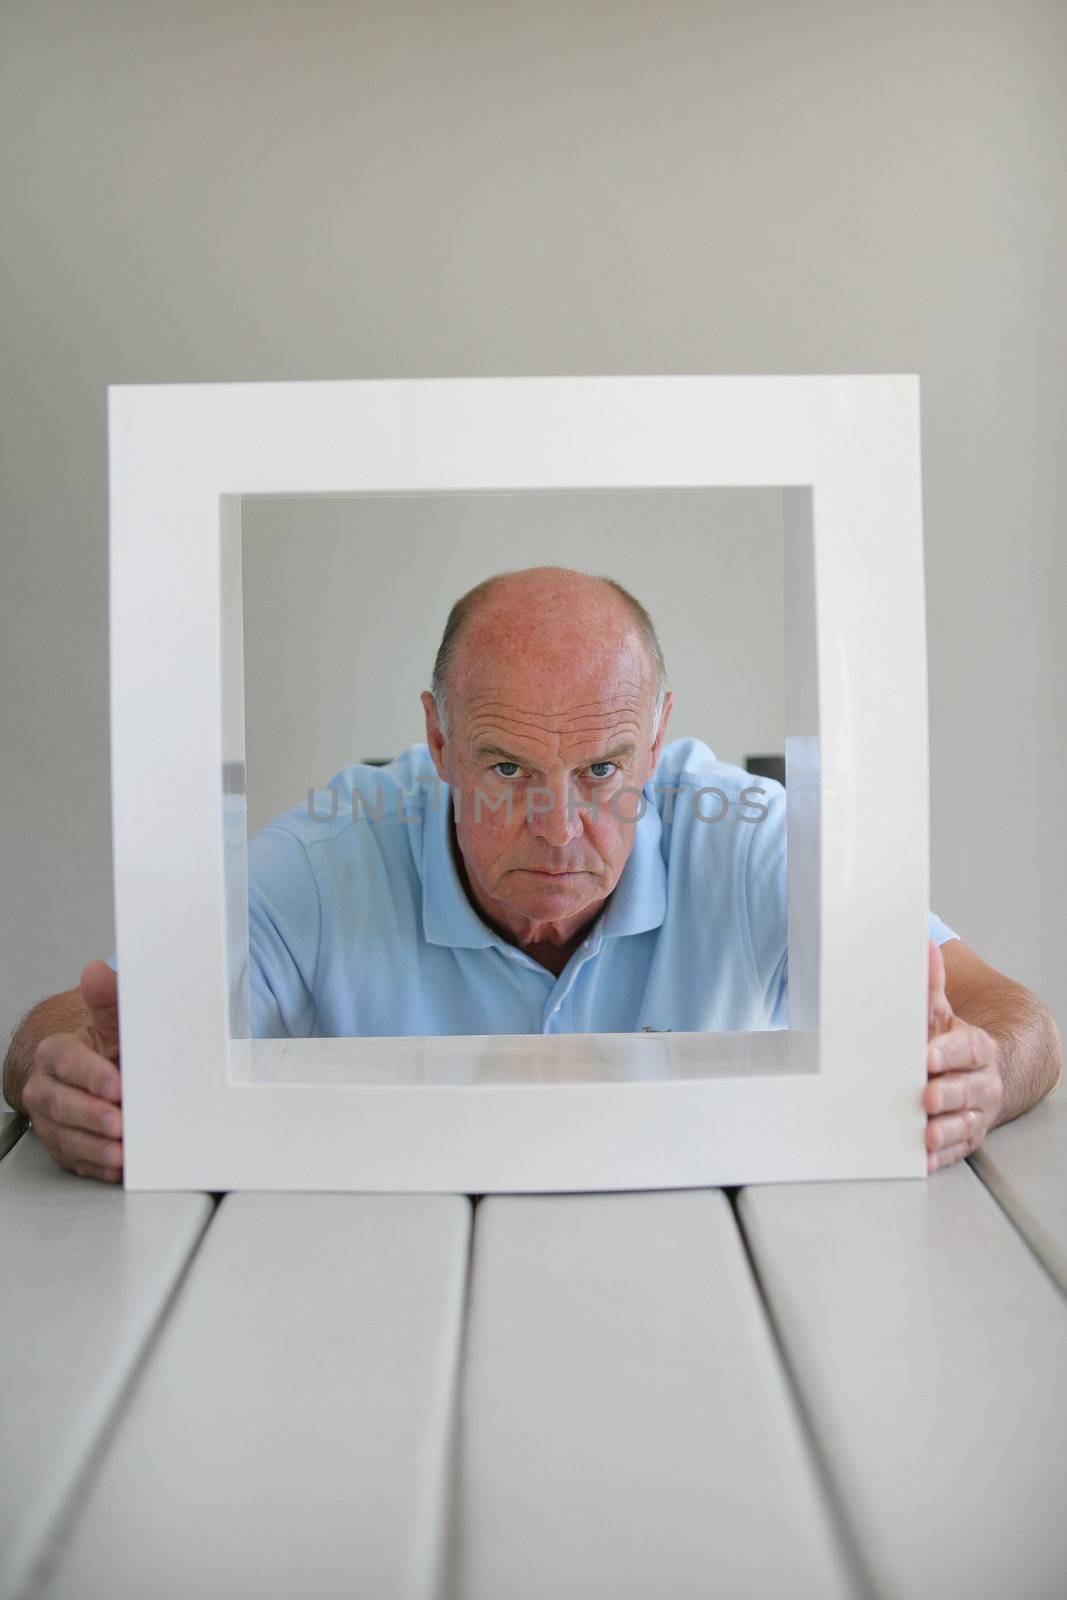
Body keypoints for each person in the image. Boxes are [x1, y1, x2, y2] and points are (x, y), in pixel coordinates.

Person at [3, 568, 1061, 1183]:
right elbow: (66, 1025)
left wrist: (977, 1073)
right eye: (505, 767)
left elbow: (1009, 1019)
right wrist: (66, 1071)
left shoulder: (749, 834)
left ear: (655, 743)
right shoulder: (332, 854)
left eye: (601, 769)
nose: (558, 827)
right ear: (435, 738)